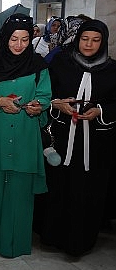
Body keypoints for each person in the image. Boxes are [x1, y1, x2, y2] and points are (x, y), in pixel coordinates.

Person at [0, 13, 51, 258]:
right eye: (13, 39)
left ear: (31, 40)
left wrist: (38, 106)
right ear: (5, 39)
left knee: (20, 190)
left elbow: (45, 97)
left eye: (24, 39)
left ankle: (17, 244)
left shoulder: (39, 67)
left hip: (24, 135)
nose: (18, 45)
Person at [40, 20, 116, 256]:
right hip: (63, 136)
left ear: (103, 42)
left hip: (96, 143)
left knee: (89, 190)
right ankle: (54, 236)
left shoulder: (112, 69)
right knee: (59, 185)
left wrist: (100, 111)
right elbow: (46, 93)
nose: (89, 44)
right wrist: (57, 104)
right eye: (85, 39)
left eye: (95, 40)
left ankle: (81, 240)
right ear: (77, 39)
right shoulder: (62, 63)